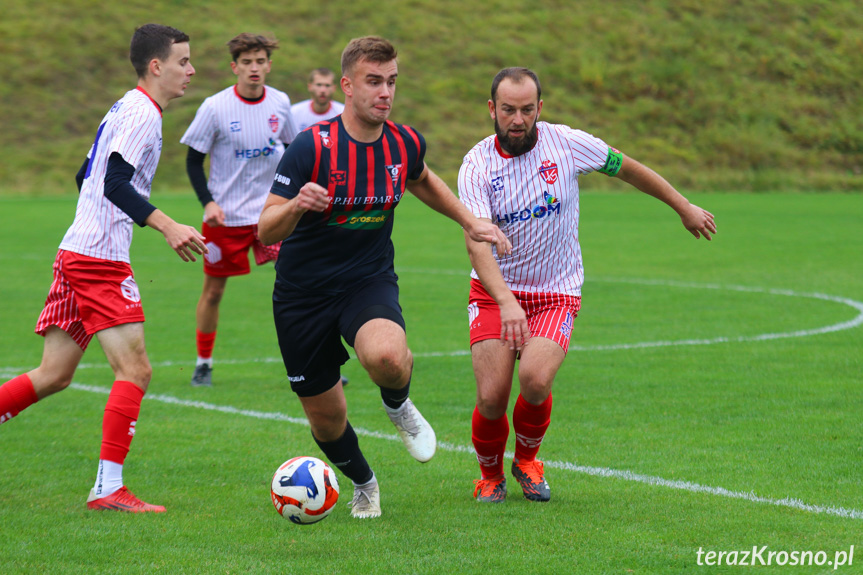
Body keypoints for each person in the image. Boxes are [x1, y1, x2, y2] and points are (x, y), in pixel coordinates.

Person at [258, 36, 511, 519]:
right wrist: (296, 205)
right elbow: (266, 226)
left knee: (389, 357)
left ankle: (398, 405)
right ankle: (364, 483)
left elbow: (421, 178)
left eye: (392, 82)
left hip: (365, 281)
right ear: (348, 87)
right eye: (374, 82)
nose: (385, 92)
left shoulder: (403, 141)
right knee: (327, 418)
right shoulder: (312, 147)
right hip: (302, 295)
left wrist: (470, 220)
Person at [458, 67, 717, 503]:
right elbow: (477, 245)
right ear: (492, 109)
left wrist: (682, 205)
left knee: (536, 380)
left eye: (526, 109)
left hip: (557, 290)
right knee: (491, 396)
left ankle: (526, 460)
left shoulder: (568, 144)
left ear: (540, 108)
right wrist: (506, 302)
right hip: (494, 292)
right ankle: (489, 475)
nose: (517, 119)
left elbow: (628, 168)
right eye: (507, 110)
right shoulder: (477, 164)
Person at [0, 24, 205, 512]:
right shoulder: (143, 115)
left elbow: (84, 174)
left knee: (54, 374)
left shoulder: (124, 106)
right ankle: (108, 488)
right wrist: (167, 225)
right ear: (156, 66)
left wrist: (96, 223)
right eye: (183, 61)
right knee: (135, 368)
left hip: (80, 249)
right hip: (97, 259)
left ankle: (107, 487)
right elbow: (112, 181)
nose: (191, 71)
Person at [180, 33, 300, 388]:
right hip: (226, 217)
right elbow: (192, 161)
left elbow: (294, 152)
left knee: (300, 285)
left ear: (269, 65)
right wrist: (209, 203)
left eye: (260, 61)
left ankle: (318, 362)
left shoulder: (280, 103)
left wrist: (293, 200)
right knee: (214, 291)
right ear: (235, 67)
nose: (254, 68)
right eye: (247, 62)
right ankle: (203, 363)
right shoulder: (215, 107)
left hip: (271, 214)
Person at [290, 68, 345, 132]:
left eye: (327, 85)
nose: (323, 90)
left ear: (334, 88)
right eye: (319, 85)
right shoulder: (294, 112)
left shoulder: (343, 113)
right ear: (309, 86)